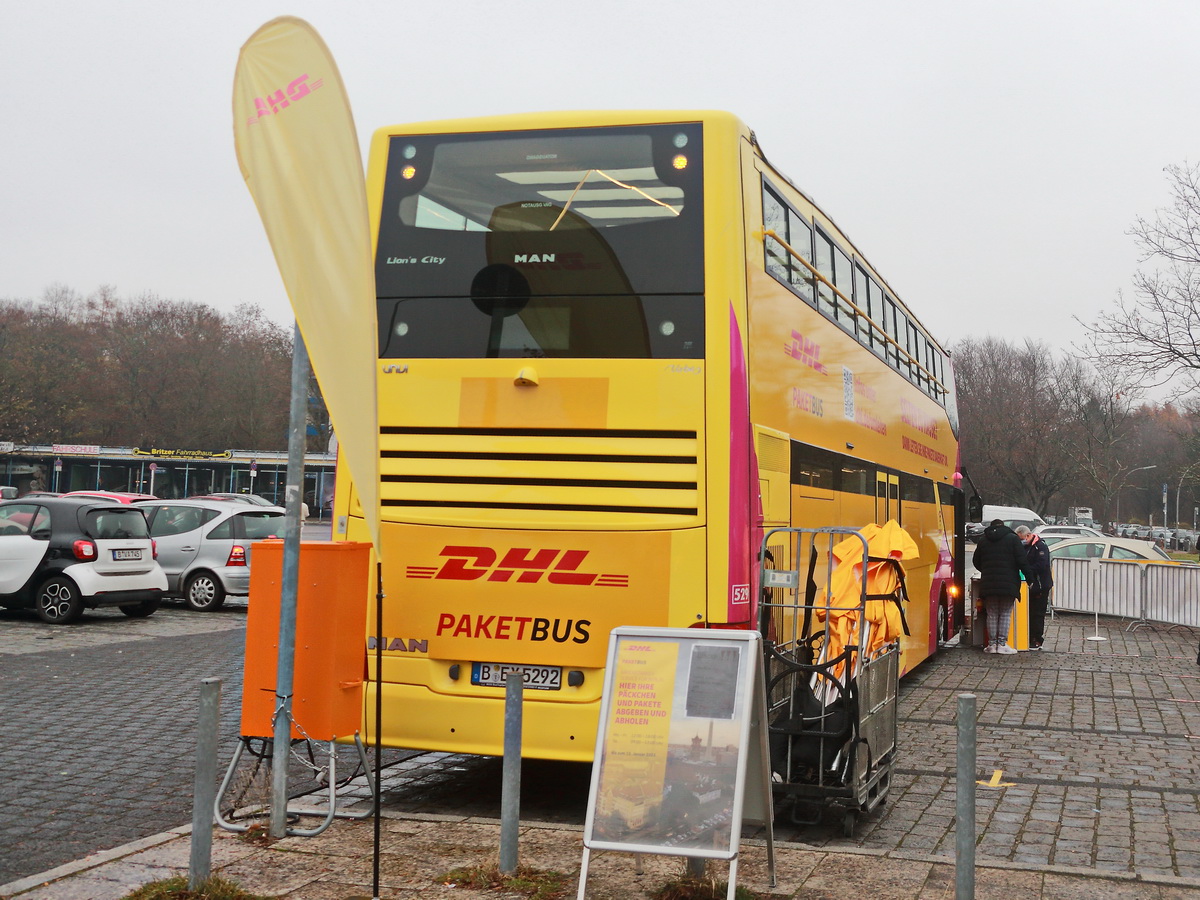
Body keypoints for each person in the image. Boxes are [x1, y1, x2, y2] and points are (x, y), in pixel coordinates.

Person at [972, 518, 1034, 655]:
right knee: (1005, 613)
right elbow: (1022, 561)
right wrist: (1030, 578)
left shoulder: (983, 540)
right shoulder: (1013, 539)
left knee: (992, 613)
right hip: (1009, 583)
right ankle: (1002, 644)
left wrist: (987, 570)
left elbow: (976, 560)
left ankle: (992, 645)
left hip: (989, 583)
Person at [1015, 526, 1053, 650]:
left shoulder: (1040, 547)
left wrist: (1026, 569)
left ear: (1028, 535)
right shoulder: (1025, 547)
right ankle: (1029, 636)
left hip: (1040, 585)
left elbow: (1042, 565)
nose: (1021, 541)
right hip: (1030, 584)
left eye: (1022, 538)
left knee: (1037, 613)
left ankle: (1037, 639)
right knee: (1030, 612)